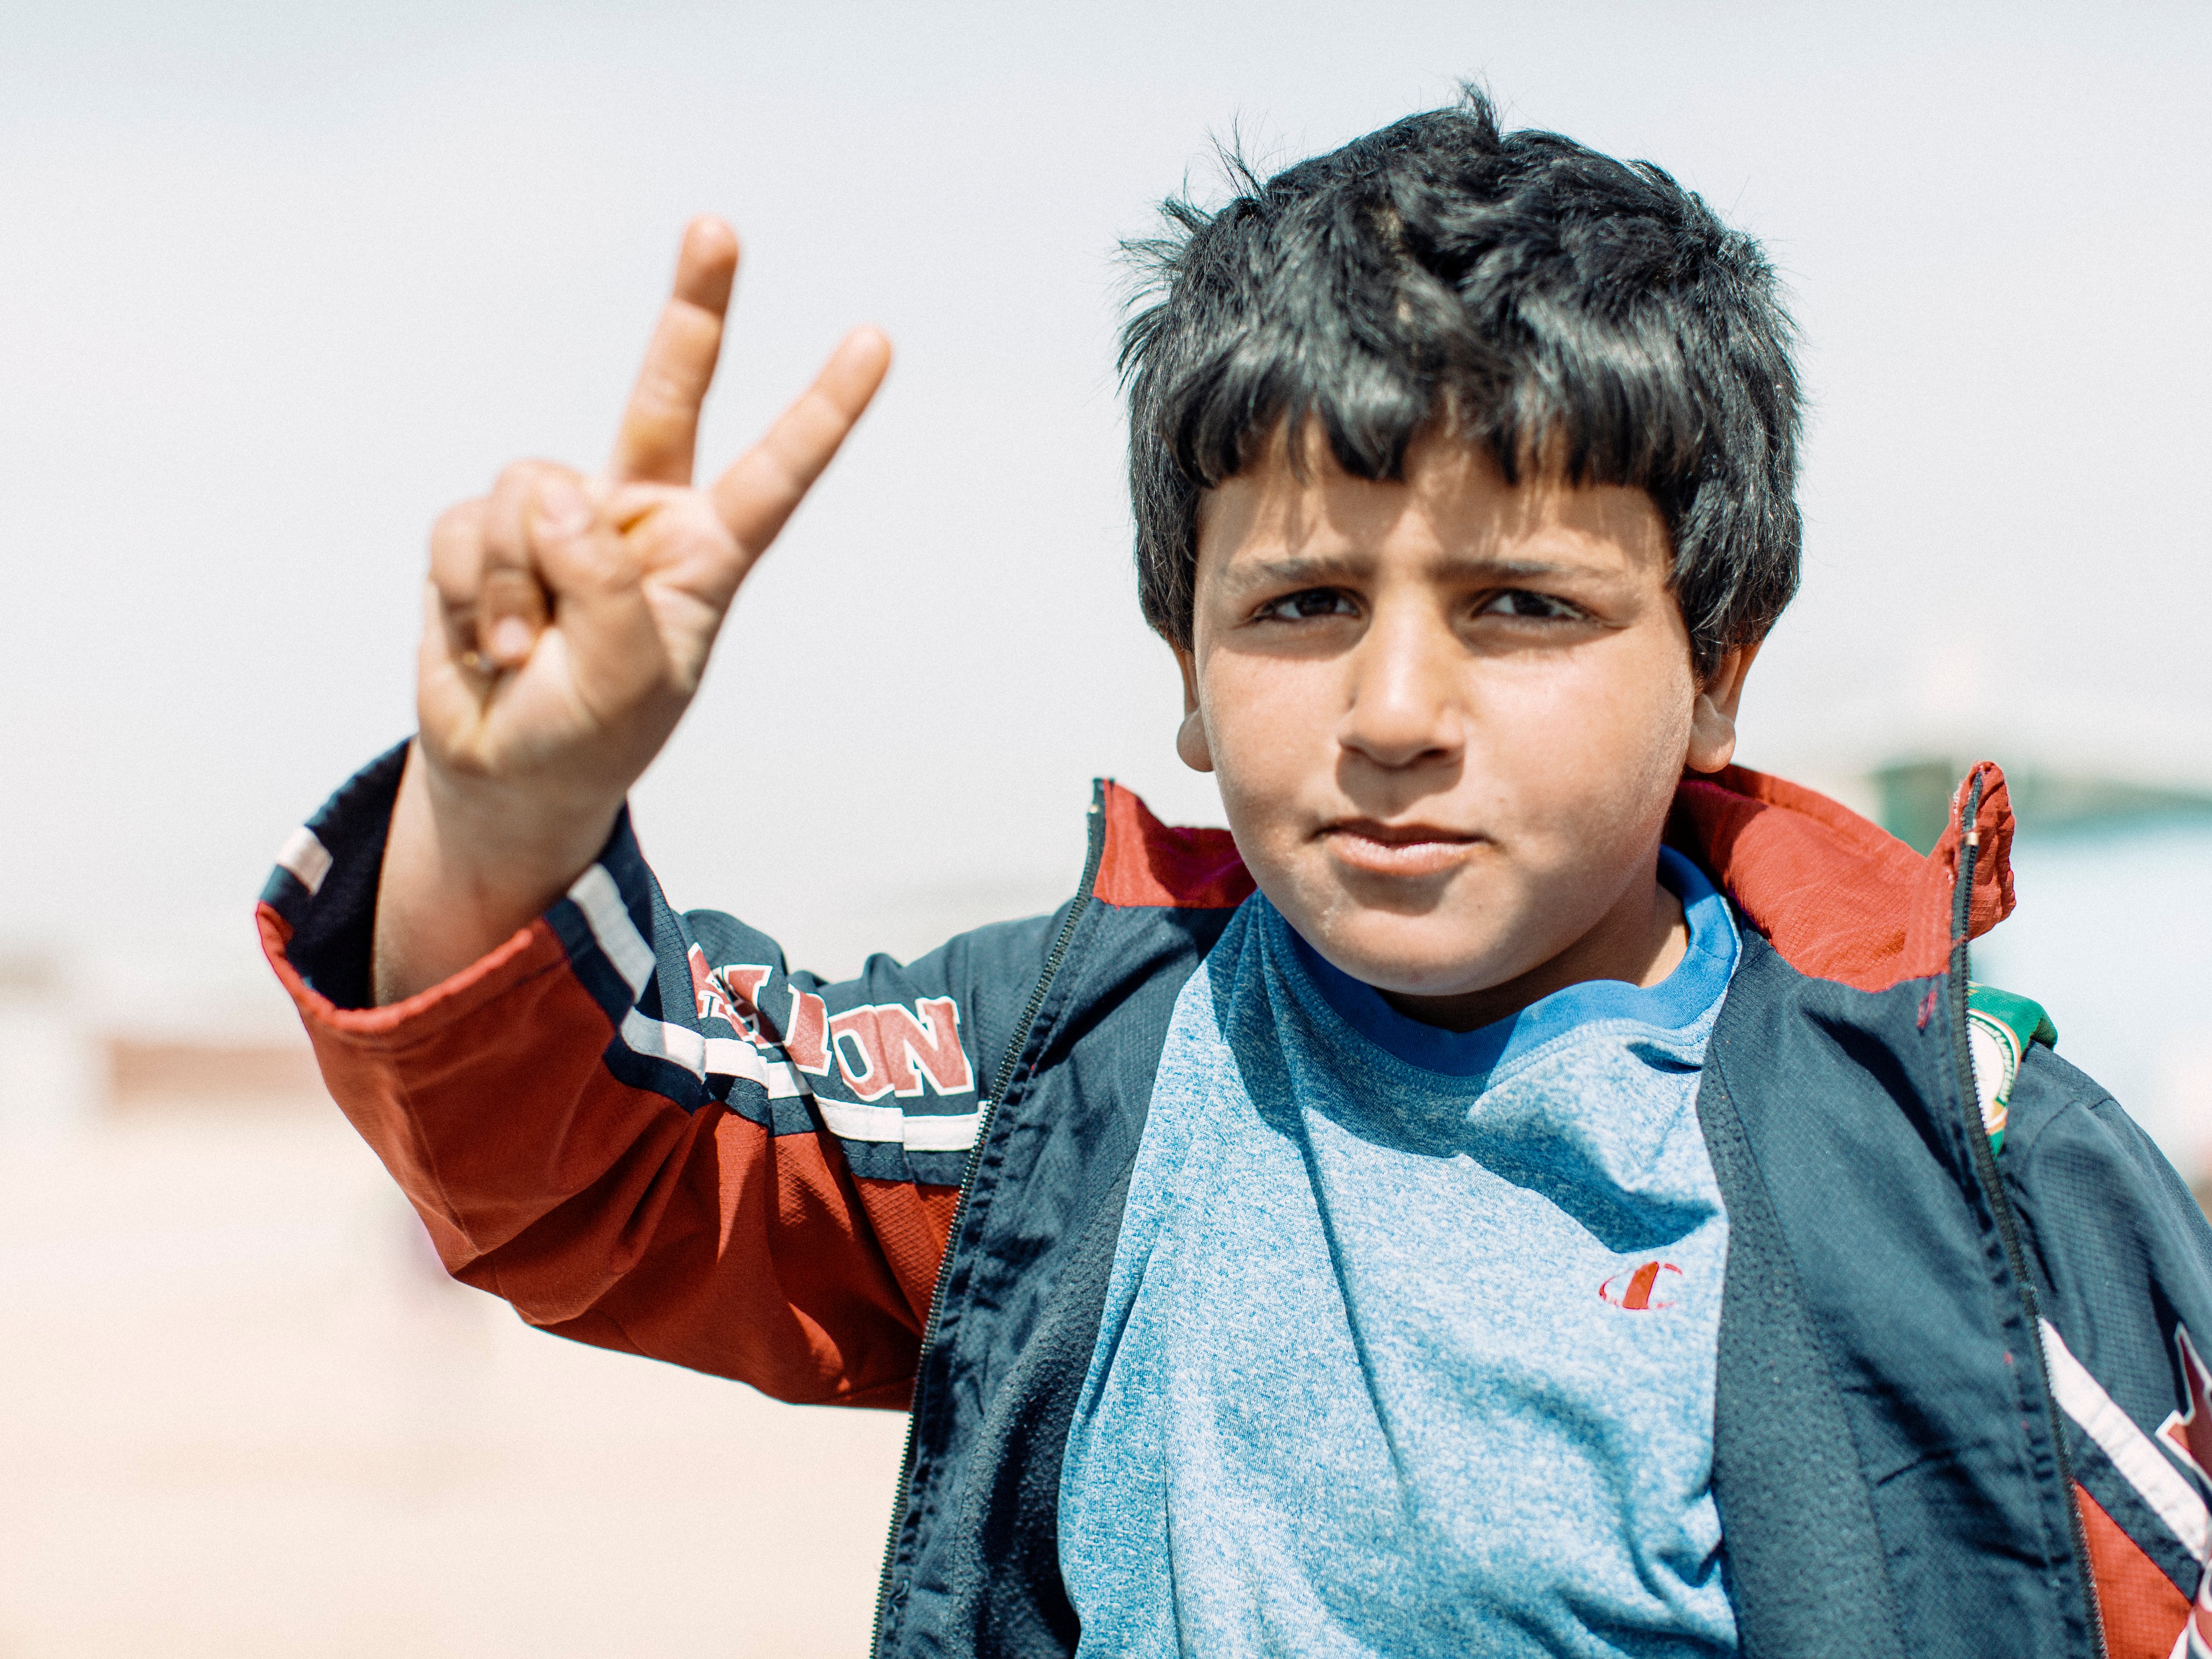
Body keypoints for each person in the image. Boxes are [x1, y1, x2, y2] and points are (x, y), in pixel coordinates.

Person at [258, 92, 2212, 1659]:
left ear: (1715, 670)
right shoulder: (1082, 1072)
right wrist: (508, 805)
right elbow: (590, 1157)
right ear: (1182, 675)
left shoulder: (1960, 1164)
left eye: (1520, 604)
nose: (1388, 708)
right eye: (1296, 602)